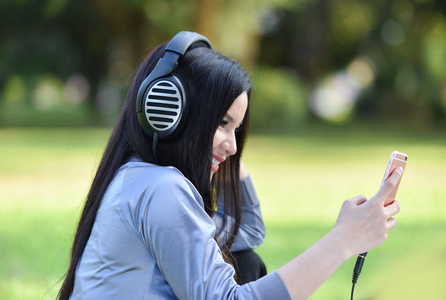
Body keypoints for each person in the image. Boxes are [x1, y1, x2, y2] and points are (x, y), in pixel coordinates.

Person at [58, 31, 402, 300]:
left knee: (247, 263)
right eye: (222, 123)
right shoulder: (161, 188)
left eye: (237, 129)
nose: (234, 145)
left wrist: (218, 149)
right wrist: (344, 239)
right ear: (170, 114)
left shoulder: (138, 177)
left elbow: (246, 233)